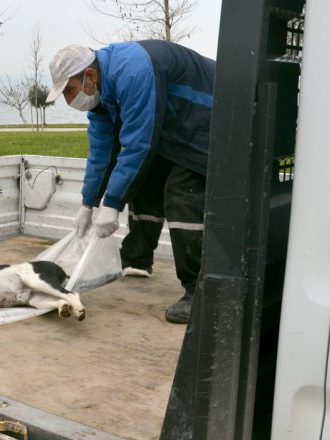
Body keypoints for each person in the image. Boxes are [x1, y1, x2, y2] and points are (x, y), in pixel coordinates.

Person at [47, 41, 215, 324]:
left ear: (90, 75)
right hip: (175, 127)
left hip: (209, 117)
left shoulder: (133, 71)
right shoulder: (101, 97)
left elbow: (138, 143)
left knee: (182, 194)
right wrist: (88, 204)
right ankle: (137, 259)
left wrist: (112, 204)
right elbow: (101, 153)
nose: (68, 100)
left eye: (69, 90)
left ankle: (200, 292)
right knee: (144, 179)